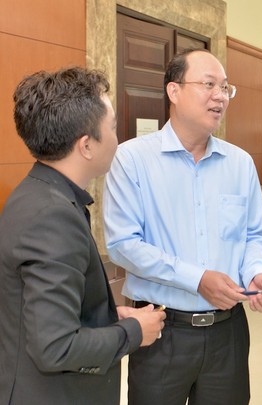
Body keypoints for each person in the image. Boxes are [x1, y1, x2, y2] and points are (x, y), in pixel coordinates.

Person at [103, 48, 262, 405]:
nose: (220, 96)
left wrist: (257, 272)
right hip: (162, 332)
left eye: (226, 88)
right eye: (209, 84)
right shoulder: (132, 159)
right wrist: (197, 279)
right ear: (174, 91)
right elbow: (124, 244)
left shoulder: (240, 164)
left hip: (228, 333)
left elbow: (251, 236)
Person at [0, 67, 166, 405]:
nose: (119, 141)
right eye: (114, 128)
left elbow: (41, 311)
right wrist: (133, 333)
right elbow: (55, 346)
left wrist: (106, 318)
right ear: (86, 145)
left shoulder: (37, 194)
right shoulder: (52, 216)